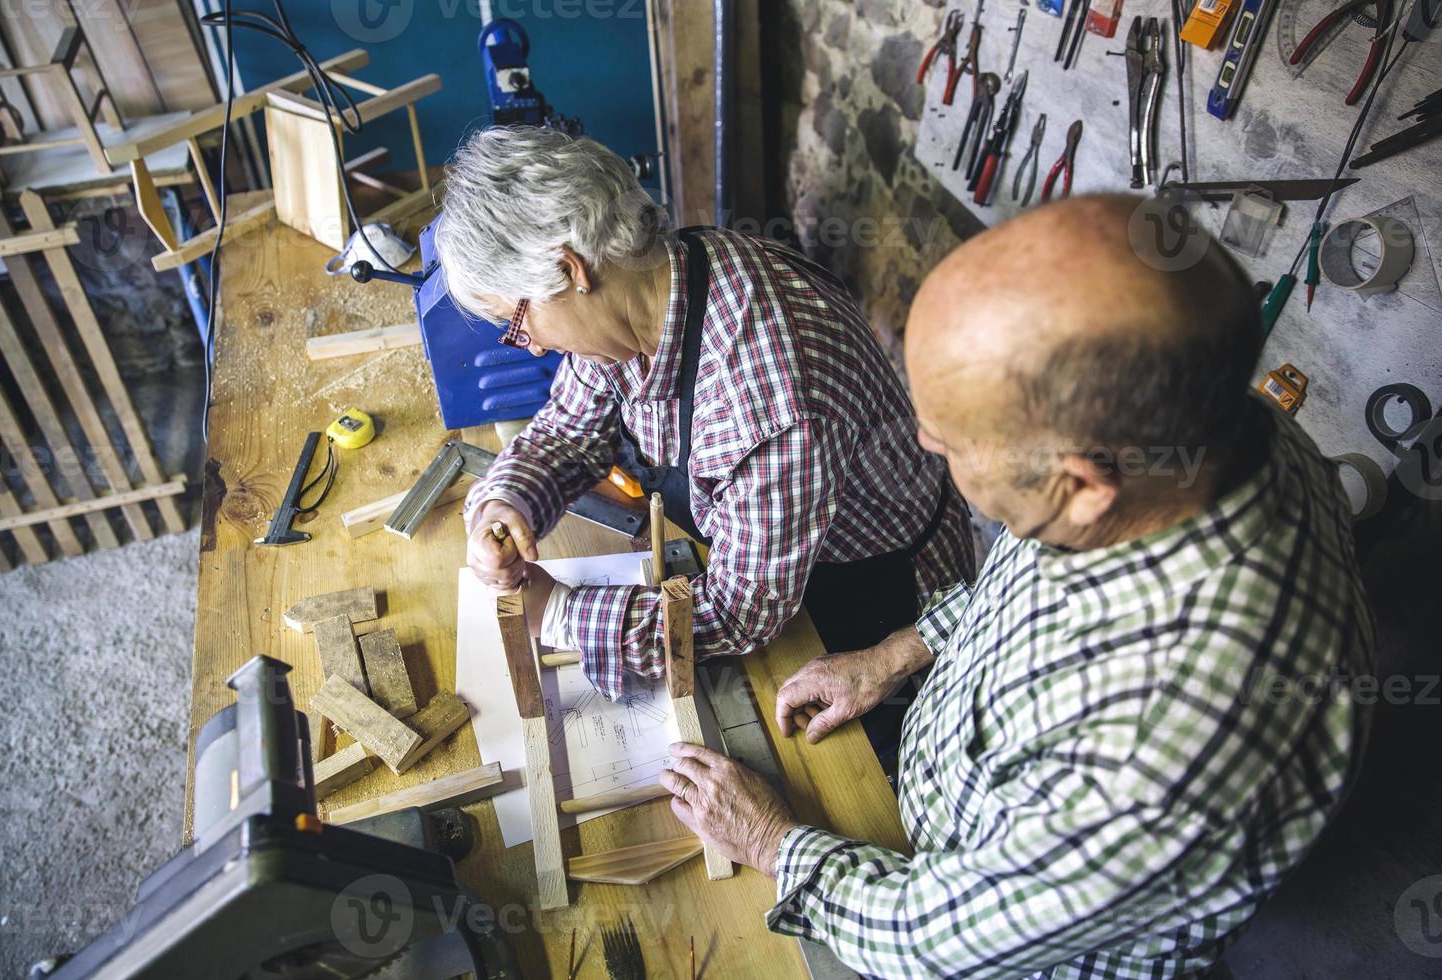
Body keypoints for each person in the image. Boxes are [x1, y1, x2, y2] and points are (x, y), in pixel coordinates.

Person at [659, 195, 1376, 978]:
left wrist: (771, 841)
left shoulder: (1159, 749)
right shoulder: (1193, 432)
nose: (924, 442)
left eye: (948, 440)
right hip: (961, 812)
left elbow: (930, 941)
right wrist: (897, 654)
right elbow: (1035, 569)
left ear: (1084, 486)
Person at [438, 127, 974, 758]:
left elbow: (741, 610)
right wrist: (510, 500)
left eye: (517, 321)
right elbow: (572, 426)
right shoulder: (650, 289)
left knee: (862, 777)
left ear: (570, 270)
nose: (527, 345)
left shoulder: (771, 391)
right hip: (777, 559)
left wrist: (558, 614)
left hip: (873, 597)